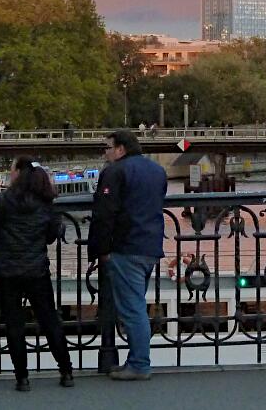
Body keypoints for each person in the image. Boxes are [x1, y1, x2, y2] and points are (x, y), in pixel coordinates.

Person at [0, 156, 74, 391]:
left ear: (18, 173)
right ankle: (66, 370)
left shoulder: (3, 200)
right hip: (36, 269)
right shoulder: (45, 202)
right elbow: (51, 234)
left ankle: (22, 378)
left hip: (7, 270)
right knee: (49, 319)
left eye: (11, 170)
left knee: (14, 323)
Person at [88, 129, 168, 381]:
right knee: (136, 303)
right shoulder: (157, 171)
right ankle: (134, 360)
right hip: (150, 246)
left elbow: (104, 214)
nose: (105, 152)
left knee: (133, 308)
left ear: (121, 149)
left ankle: (139, 364)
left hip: (126, 247)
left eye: (107, 147)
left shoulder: (114, 172)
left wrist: (100, 250)